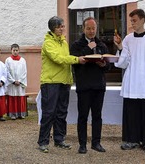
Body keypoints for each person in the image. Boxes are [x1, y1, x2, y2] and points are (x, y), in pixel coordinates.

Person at [114, 9, 145, 153]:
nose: (132, 23)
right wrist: (119, 46)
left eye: (134, 20)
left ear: (143, 20)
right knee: (131, 111)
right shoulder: (128, 39)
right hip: (132, 79)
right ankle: (131, 139)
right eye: (131, 21)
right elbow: (123, 62)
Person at [37, 16, 87, 153]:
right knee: (49, 112)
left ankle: (59, 139)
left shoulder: (63, 42)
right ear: (53, 28)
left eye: (63, 26)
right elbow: (58, 59)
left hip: (64, 81)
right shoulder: (48, 43)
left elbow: (65, 60)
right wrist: (76, 59)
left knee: (61, 112)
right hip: (51, 82)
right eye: (60, 26)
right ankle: (43, 141)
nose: (62, 28)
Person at [69, 17, 110, 154]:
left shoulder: (102, 45)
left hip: (98, 86)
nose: (91, 31)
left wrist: (104, 64)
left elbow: (108, 67)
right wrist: (88, 48)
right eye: (89, 28)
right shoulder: (76, 45)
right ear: (83, 29)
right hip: (84, 85)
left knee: (97, 116)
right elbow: (74, 62)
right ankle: (82, 144)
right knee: (83, 116)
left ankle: (96, 143)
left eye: (93, 28)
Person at [5, 44, 28, 120]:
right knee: (12, 97)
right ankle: (13, 114)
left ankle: (21, 113)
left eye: (17, 50)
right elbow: (7, 72)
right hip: (12, 83)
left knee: (20, 97)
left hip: (20, 82)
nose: (15, 52)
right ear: (11, 50)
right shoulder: (8, 60)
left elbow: (24, 72)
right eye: (14, 50)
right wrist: (13, 81)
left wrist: (20, 81)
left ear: (19, 50)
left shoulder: (22, 60)